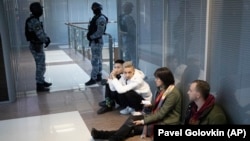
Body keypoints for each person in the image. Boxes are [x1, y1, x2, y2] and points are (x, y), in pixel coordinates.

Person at [91, 67, 182, 141]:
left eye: (157, 78)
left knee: (132, 128)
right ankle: (104, 135)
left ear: (164, 79)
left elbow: (161, 114)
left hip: (166, 122)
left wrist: (143, 121)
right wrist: (151, 106)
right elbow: (159, 107)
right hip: (156, 116)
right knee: (132, 120)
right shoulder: (162, 89)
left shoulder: (172, 93)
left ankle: (105, 135)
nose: (155, 80)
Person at [25, 2, 52, 92]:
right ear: (36, 10)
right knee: (40, 66)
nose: (41, 10)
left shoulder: (34, 19)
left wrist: (46, 38)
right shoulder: (34, 21)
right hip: (36, 46)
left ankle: (41, 81)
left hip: (37, 45)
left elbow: (40, 32)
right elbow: (40, 34)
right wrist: (46, 40)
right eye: (40, 8)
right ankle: (39, 85)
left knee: (41, 65)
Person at [85, 2, 108, 86]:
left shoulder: (101, 18)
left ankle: (93, 78)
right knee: (97, 59)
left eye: (95, 8)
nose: (94, 10)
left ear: (99, 9)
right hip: (94, 41)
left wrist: (91, 37)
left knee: (95, 60)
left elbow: (100, 32)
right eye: (93, 9)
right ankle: (98, 75)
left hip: (97, 41)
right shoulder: (95, 17)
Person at [119, 2, 137, 67]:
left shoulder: (122, 17)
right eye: (130, 8)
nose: (131, 9)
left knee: (127, 57)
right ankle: (135, 72)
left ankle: (127, 72)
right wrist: (137, 36)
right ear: (127, 8)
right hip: (130, 39)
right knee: (134, 57)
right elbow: (132, 30)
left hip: (125, 39)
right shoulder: (128, 17)